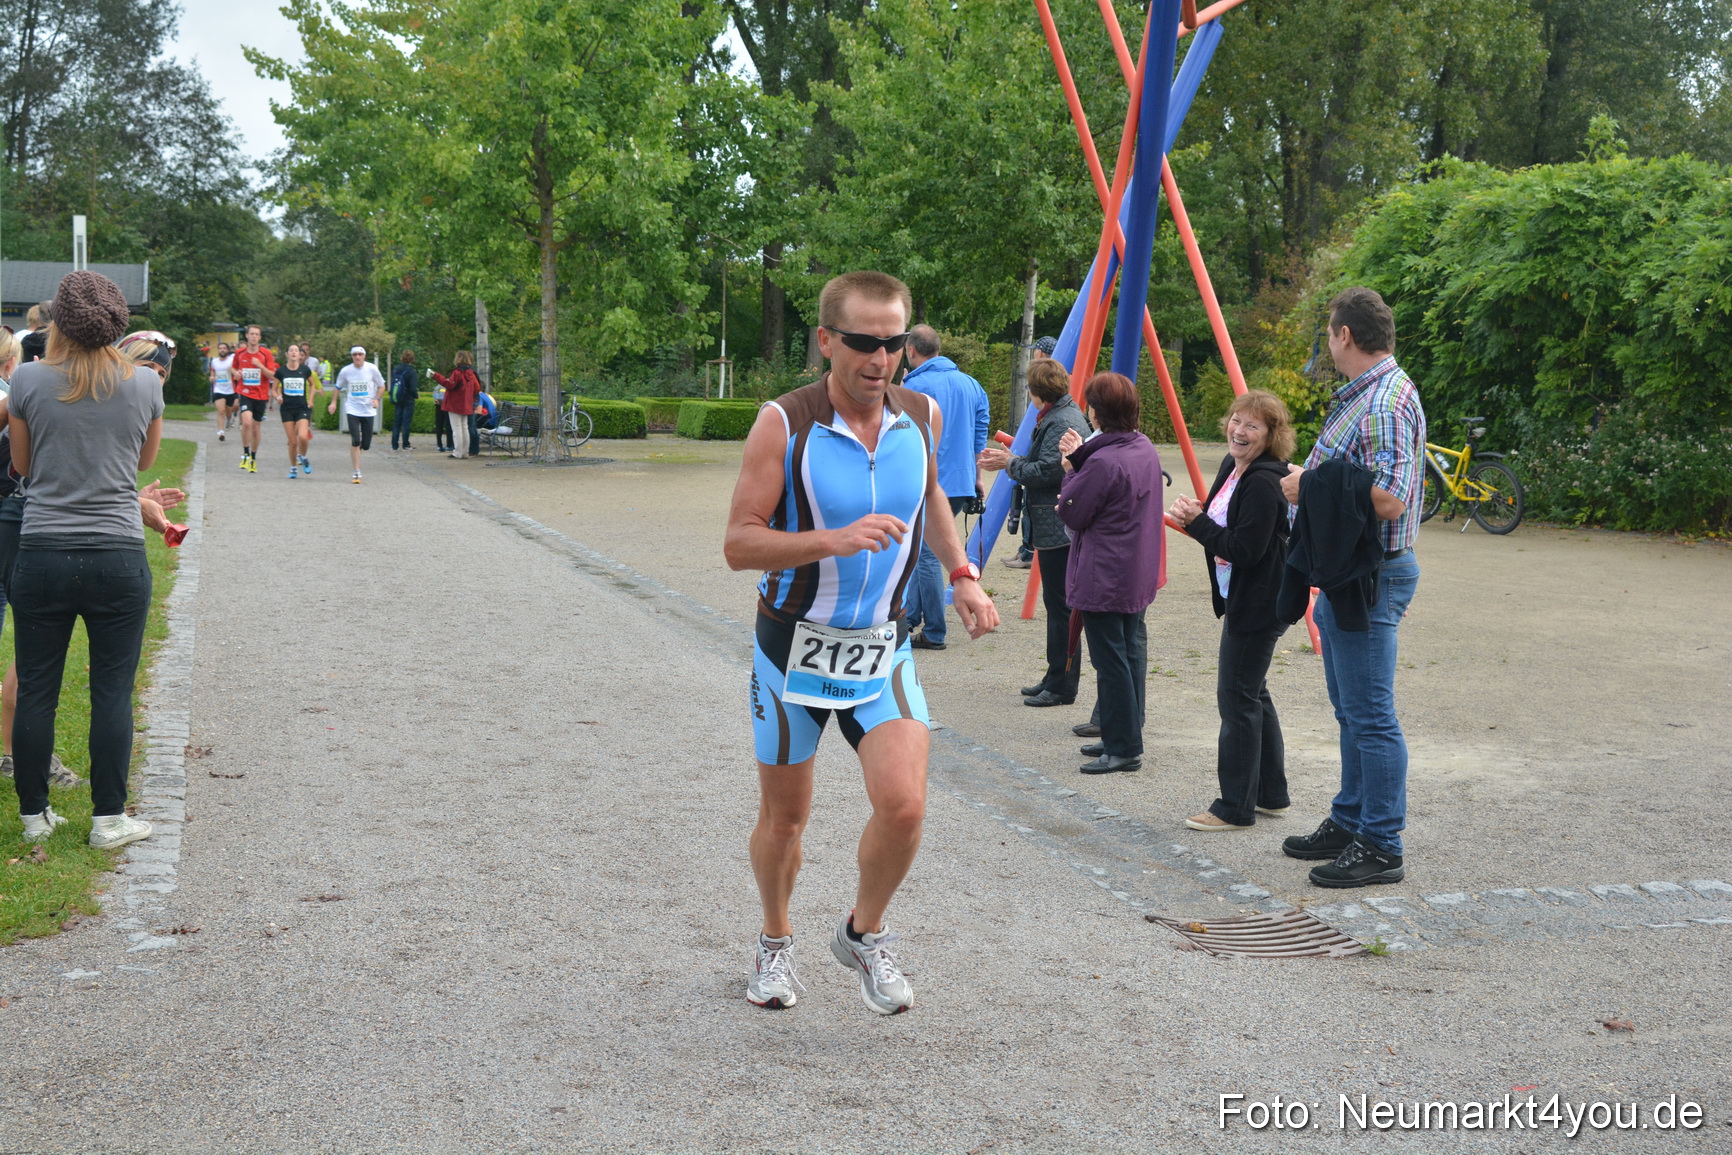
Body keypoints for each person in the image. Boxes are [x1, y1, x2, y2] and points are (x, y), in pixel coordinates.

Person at [724, 270, 999, 1015]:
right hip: (792, 648)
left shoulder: (923, 413)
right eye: (864, 343)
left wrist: (962, 574)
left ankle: (862, 932)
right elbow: (739, 544)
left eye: (894, 343)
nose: (881, 360)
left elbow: (930, 497)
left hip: (882, 647)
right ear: (826, 341)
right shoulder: (784, 423)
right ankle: (774, 942)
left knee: (905, 806)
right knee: (785, 818)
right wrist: (829, 539)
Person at [8, 272, 164, 849]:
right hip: (117, 554)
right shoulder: (145, 384)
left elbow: (22, 466)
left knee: (39, 687)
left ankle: (34, 817)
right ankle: (109, 819)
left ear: (58, 324)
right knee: (112, 690)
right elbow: (143, 462)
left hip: (44, 549)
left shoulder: (26, 378)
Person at [1278, 287, 1426, 888]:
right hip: (1350, 577)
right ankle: (1350, 820)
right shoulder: (1372, 394)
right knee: (1351, 711)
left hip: (1372, 579)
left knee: (1370, 715)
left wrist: (1307, 486)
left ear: (1343, 335)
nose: (1328, 344)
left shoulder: (1384, 401)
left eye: (1328, 334)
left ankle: (1381, 844)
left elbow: (1388, 500)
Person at [1167, 390, 1296, 831]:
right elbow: (1227, 526)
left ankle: (1235, 807)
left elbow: (1244, 548)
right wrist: (1199, 513)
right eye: (1236, 420)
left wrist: (1195, 524)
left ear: (1272, 435)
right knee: (1253, 690)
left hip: (1261, 600)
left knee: (1237, 698)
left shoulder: (1263, 482)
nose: (1239, 431)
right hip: (1245, 595)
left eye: (1252, 426)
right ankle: (1269, 793)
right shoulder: (1232, 466)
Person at [1056, 371, 1163, 774]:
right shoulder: (1143, 447)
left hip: (1104, 571)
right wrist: (1082, 458)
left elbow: (1075, 510)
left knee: (1111, 658)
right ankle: (1124, 731)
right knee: (1129, 651)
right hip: (1135, 566)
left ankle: (1123, 747)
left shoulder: (1102, 461)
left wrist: (1070, 470)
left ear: (1096, 413)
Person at [978, 356, 1092, 706]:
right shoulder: (1061, 415)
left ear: (1037, 392)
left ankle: (1062, 684)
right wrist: (1014, 461)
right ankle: (1055, 674)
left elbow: (1049, 472)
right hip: (1053, 522)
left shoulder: (1062, 420)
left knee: (1061, 606)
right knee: (1057, 604)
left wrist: (1008, 463)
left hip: (1059, 524)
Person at [0, 330, 82, 792]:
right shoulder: (27, 399)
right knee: (32, 652)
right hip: (21, 523)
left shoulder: (17, 396)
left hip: (12, 520)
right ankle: (18, 755)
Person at [899, 325, 988, 651]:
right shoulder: (971, 384)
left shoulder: (914, 385)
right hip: (962, 481)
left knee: (924, 554)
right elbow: (982, 428)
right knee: (928, 552)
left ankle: (934, 630)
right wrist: (977, 475)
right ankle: (912, 618)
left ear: (910, 351)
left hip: (928, 480)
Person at [328, 346, 384, 483]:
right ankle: (356, 471)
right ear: (351, 356)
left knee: (365, 445)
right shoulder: (346, 371)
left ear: (364, 356)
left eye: (360, 354)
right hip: (352, 409)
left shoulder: (372, 369)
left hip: (368, 410)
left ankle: (357, 454)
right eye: (354, 355)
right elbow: (337, 387)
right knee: (355, 440)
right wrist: (333, 402)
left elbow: (382, 385)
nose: (357, 357)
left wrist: (376, 398)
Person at [230, 324, 277, 473]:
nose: (254, 336)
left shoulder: (266, 354)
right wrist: (236, 373)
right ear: (247, 336)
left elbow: (272, 375)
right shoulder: (240, 352)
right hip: (244, 392)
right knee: (247, 422)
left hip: (261, 394)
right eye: (252, 334)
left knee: (256, 429)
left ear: (260, 337)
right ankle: (245, 453)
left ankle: (253, 457)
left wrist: (260, 366)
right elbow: (232, 368)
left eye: (257, 334)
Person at [273, 343, 320, 478]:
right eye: (291, 351)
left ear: (300, 355)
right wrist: (278, 397)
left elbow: (312, 385)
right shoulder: (281, 371)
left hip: (302, 408)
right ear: (287, 354)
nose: (294, 353)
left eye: (296, 351)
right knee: (293, 442)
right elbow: (273, 389)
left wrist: (311, 400)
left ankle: (303, 457)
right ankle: (293, 467)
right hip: (287, 409)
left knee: (303, 437)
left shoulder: (305, 370)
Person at [432, 353, 479, 460]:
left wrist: (436, 376)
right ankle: (465, 452)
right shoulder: (471, 373)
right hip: (467, 403)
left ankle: (457, 452)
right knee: (464, 427)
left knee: (457, 428)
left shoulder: (457, 372)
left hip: (455, 403)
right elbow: (477, 388)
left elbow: (450, 384)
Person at [208, 340, 237, 442]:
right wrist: (211, 377)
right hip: (218, 389)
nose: (222, 350)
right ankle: (221, 432)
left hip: (230, 389)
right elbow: (212, 372)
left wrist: (233, 371)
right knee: (220, 411)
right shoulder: (214, 361)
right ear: (218, 350)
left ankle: (229, 419)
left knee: (228, 410)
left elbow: (236, 370)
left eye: (224, 348)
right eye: (220, 348)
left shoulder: (231, 360)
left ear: (227, 350)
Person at [390, 350, 419, 450]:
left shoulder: (397, 369)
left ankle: (394, 444)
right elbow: (413, 388)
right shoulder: (411, 371)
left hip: (397, 397)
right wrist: (416, 395)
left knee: (397, 421)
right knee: (406, 422)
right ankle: (405, 444)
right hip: (408, 399)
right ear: (412, 359)